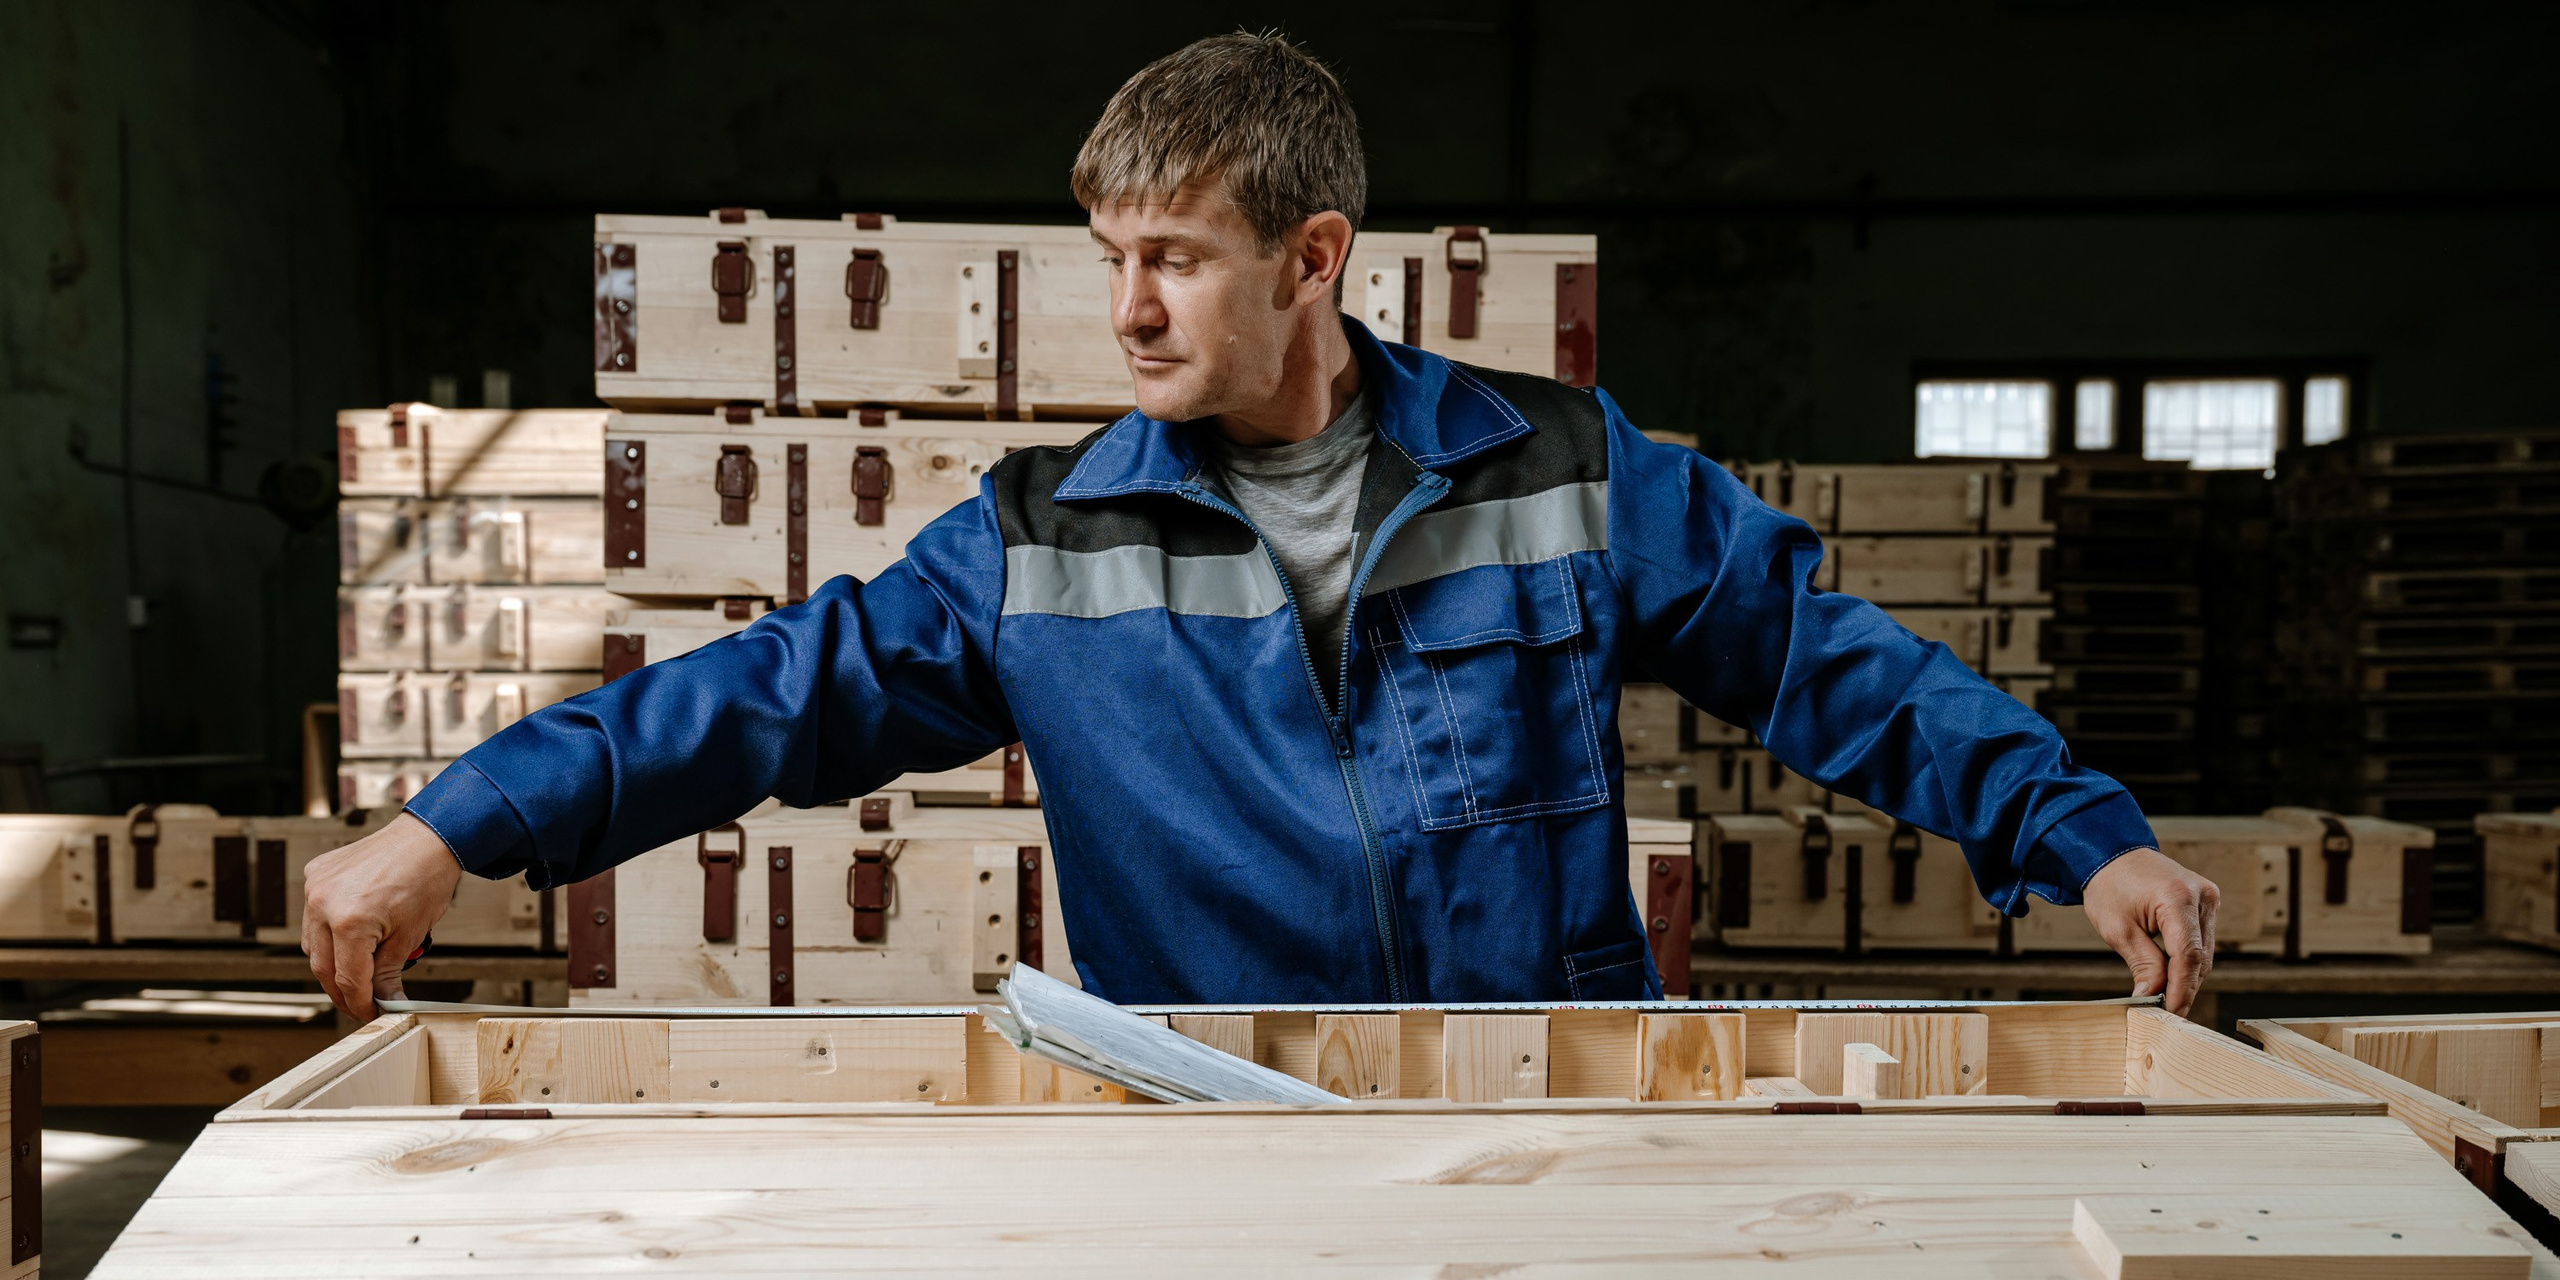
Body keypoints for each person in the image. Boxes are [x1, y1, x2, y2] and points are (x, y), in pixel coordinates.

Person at [303, 30, 2219, 1022]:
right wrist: (456, 826)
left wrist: (2086, 840)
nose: (1126, 309)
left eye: (1177, 261)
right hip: (1233, 1133)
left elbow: (1827, 664)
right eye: (1109, 259)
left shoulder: (1560, 473)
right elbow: (757, 700)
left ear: (1314, 260)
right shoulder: (1044, 544)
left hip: (1554, 1118)